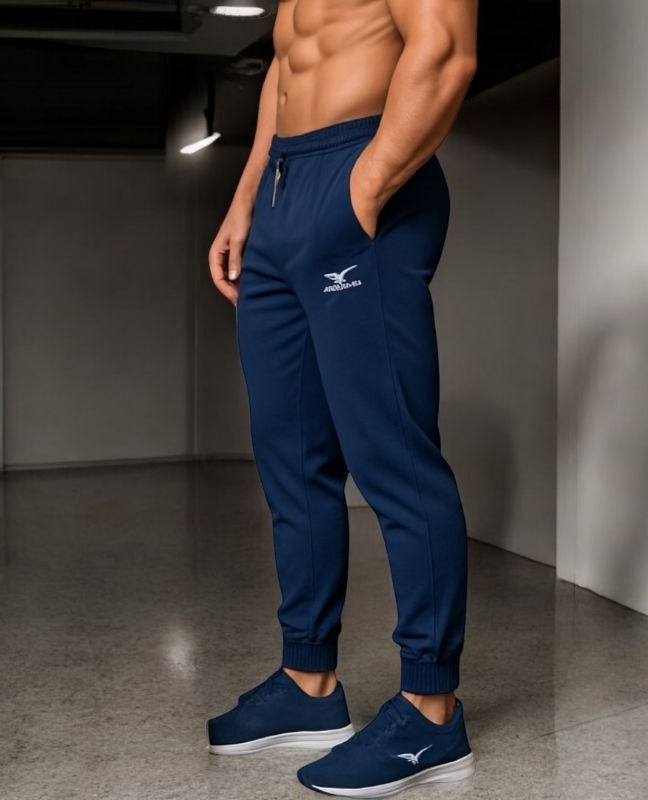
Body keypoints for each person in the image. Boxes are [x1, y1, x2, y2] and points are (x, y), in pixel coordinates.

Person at [206, 0, 478, 796]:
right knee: (290, 458)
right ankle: (308, 681)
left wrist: (367, 184)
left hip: (362, 175)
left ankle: (431, 711)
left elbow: (445, 50)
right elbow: (288, 66)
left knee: (392, 455)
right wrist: (247, 199)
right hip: (284, 186)